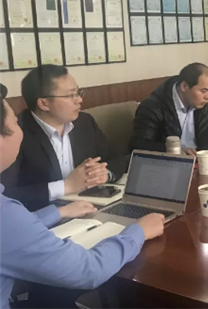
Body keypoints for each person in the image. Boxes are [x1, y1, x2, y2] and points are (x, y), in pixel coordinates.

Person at [0, 82, 165, 309]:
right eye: (14, 123)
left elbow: (12, 231)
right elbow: (88, 270)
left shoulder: (84, 123)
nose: (79, 100)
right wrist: (139, 232)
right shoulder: (6, 213)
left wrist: (58, 212)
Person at [0, 65, 127, 211]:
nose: (79, 100)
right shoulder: (15, 133)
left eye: (78, 92)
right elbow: (6, 194)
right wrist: (66, 186)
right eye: (70, 95)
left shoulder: (84, 122)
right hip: (40, 214)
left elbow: (116, 158)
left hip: (89, 206)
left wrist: (105, 174)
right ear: (44, 103)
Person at [130, 63, 208, 157]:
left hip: (201, 162)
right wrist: (173, 150)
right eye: (203, 91)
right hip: (169, 167)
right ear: (184, 86)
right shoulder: (154, 106)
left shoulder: (201, 102)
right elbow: (138, 144)